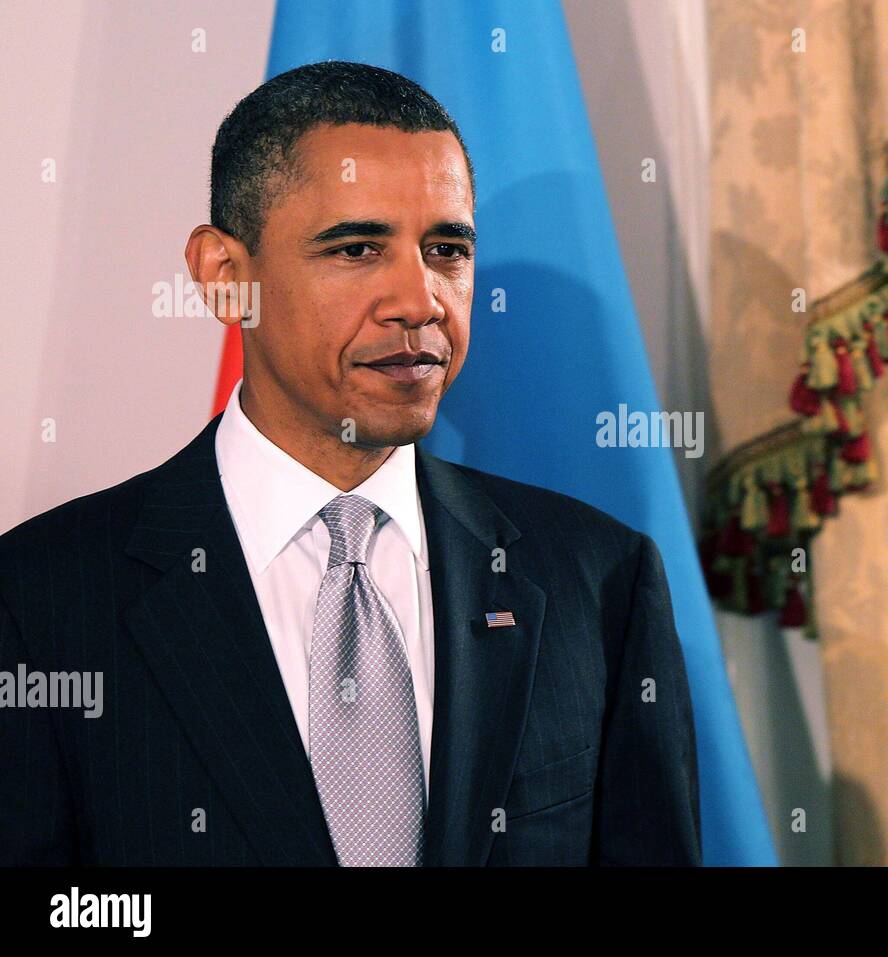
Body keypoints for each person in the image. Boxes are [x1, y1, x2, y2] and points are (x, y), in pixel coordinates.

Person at [0, 61, 701, 867]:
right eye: (359, 247)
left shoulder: (599, 578)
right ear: (228, 280)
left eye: (447, 249)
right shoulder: (40, 599)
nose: (421, 299)